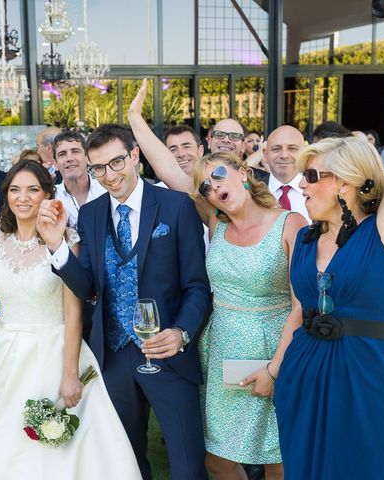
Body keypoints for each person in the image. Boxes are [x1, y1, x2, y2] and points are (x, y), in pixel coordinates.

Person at [127, 79, 306, 480]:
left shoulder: (290, 224)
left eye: (220, 176)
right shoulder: (215, 221)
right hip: (220, 350)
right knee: (218, 457)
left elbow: (301, 305)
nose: (214, 187)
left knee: (277, 455)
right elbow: (172, 170)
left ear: (244, 172)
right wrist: (136, 121)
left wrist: (276, 370)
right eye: (207, 185)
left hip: (274, 350)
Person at [0, 160, 142, 479]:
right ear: (6, 195)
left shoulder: (66, 240)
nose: (22, 198)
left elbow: (73, 310)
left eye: (32, 190)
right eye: (14, 190)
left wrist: (69, 374)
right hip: (2, 354)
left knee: (58, 452)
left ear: (48, 195)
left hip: (55, 349)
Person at [38, 125, 212, 480]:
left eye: (116, 162)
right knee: (126, 462)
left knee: (187, 463)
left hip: (168, 355)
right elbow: (87, 287)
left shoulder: (177, 207)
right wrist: (58, 248)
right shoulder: (90, 214)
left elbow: (197, 286)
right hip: (114, 357)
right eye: (98, 168)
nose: (109, 175)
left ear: (134, 156)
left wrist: (181, 333)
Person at [274, 8, 384, 475]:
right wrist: (277, 371)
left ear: (347, 181)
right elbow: (298, 313)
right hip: (305, 373)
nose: (300, 184)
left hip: (366, 379)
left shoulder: (383, 231)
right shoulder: (305, 240)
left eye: (310, 174)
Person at [52, 130, 106, 228]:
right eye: (62, 154)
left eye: (75, 151)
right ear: (55, 164)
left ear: (87, 158)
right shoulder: (51, 197)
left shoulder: (105, 190)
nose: (69, 158)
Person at [263, 125, 310, 221]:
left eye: (292, 148)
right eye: (276, 149)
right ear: (265, 155)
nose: (284, 155)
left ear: (305, 153)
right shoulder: (250, 192)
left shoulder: (318, 191)